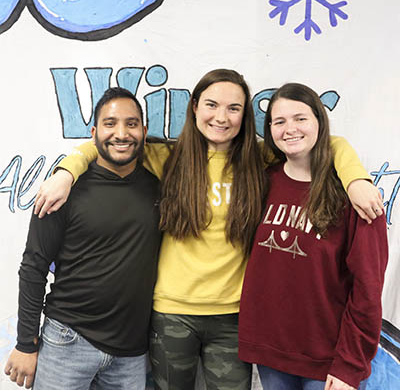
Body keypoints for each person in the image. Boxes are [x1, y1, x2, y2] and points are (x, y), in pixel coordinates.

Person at [33, 70, 383, 390]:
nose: (221, 116)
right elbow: (100, 145)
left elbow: (328, 143)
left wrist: (355, 179)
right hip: (171, 312)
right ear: (195, 107)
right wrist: (65, 173)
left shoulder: (260, 159)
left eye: (234, 108)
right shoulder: (166, 157)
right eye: (212, 105)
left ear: (245, 116)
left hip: (233, 315)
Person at [4, 87, 162, 389]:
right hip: (67, 341)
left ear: (144, 130)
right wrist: (26, 343)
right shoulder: (61, 190)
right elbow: (34, 267)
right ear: (94, 132)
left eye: (131, 124)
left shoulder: (158, 188)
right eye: (110, 123)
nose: (121, 133)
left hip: (131, 352)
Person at [238, 83, 388, 390]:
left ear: (319, 121)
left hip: (328, 360)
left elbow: (368, 290)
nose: (289, 129)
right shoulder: (262, 183)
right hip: (272, 353)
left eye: (300, 118)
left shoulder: (355, 196)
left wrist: (350, 365)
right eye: (279, 122)